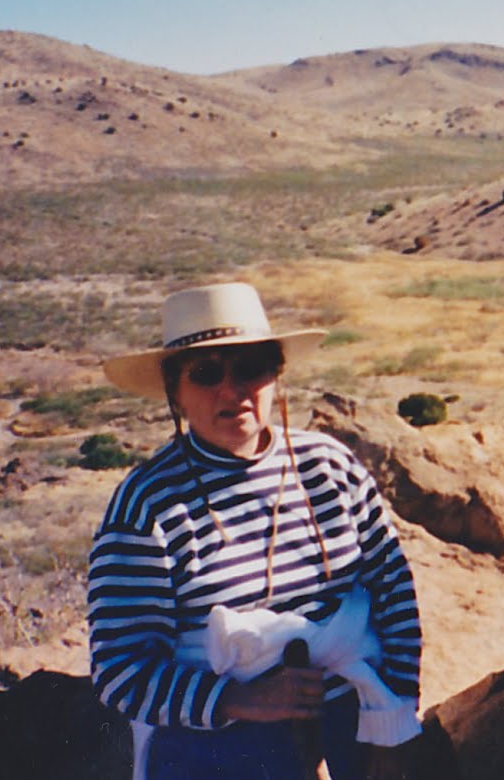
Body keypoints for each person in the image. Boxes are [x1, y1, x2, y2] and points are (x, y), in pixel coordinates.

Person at [88, 282, 423, 780]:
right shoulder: (147, 506)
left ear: (276, 376)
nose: (232, 390)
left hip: (357, 719)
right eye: (205, 373)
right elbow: (121, 670)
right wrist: (241, 700)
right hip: (221, 743)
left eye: (250, 367)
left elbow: (394, 597)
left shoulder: (329, 467)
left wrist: (393, 729)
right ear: (174, 393)